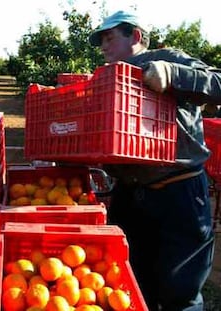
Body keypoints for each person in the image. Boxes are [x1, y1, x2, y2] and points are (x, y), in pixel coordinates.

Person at [88, 10, 221, 311]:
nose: (104, 47)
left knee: (179, 290)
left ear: (135, 36)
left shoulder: (168, 59)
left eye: (109, 38)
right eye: (102, 42)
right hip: (130, 195)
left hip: (178, 193)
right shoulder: (107, 79)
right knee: (132, 282)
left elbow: (219, 83)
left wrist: (174, 75)